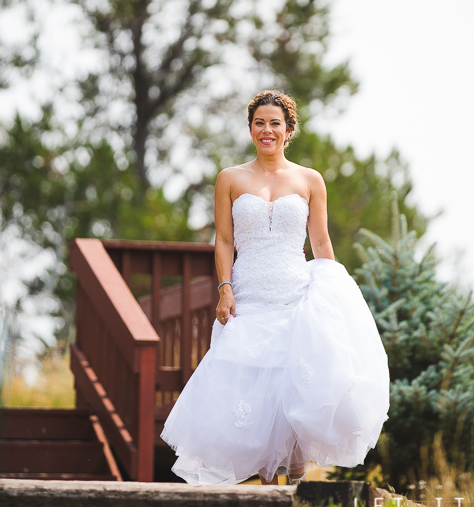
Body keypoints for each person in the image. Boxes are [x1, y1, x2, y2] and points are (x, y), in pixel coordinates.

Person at [160, 89, 390, 485]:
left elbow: (320, 243)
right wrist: (225, 288)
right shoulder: (230, 178)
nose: (266, 130)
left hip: (296, 293)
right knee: (252, 386)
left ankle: (297, 488)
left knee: (296, 382)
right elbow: (224, 240)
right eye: (259, 122)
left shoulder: (309, 180)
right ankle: (265, 490)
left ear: (288, 130)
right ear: (250, 128)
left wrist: (333, 294)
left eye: (275, 123)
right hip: (248, 294)